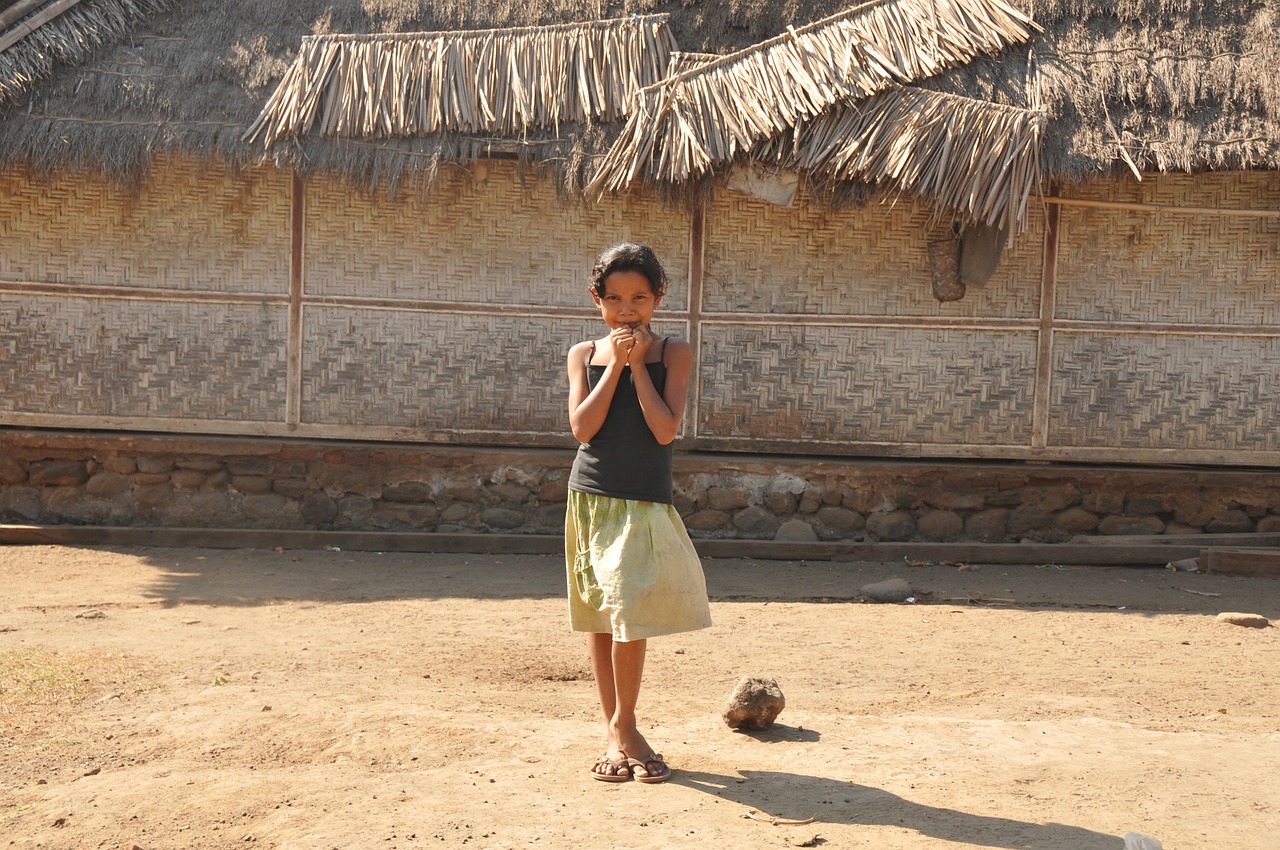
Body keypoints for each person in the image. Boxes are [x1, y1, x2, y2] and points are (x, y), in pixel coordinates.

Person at [565, 242, 712, 784]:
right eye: (616, 299)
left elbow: (664, 429)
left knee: (630, 614)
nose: (627, 310)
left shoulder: (674, 352)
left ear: (658, 299)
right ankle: (618, 730)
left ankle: (624, 727)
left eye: (639, 298)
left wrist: (638, 369)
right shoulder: (584, 354)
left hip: (644, 501)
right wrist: (614, 368)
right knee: (603, 617)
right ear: (598, 300)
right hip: (591, 499)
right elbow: (583, 429)